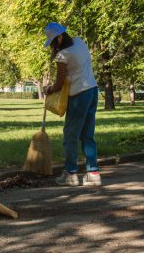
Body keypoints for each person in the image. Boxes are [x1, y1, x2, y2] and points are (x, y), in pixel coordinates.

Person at [42, 22, 101, 186]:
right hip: (93, 90)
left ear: (59, 38)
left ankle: (71, 174)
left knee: (70, 135)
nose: (53, 46)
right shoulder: (80, 42)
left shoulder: (63, 55)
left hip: (79, 94)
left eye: (53, 42)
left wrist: (49, 89)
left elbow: (60, 83)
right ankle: (93, 173)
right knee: (87, 134)